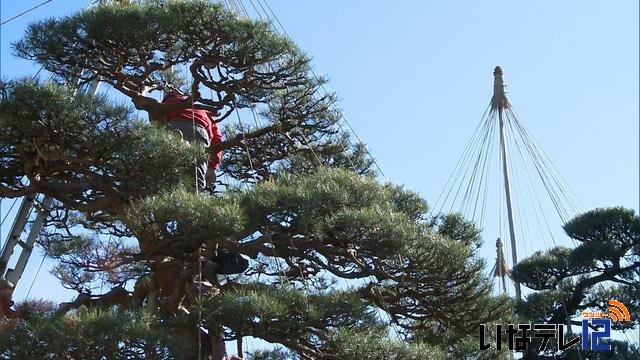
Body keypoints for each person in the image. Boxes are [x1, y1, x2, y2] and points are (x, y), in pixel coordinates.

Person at [161, 92, 223, 190]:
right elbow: (217, 139)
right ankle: (196, 201)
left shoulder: (167, 103)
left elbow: (156, 125)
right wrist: (212, 167)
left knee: (166, 174)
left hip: (174, 128)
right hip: (200, 132)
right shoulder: (204, 109)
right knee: (196, 180)